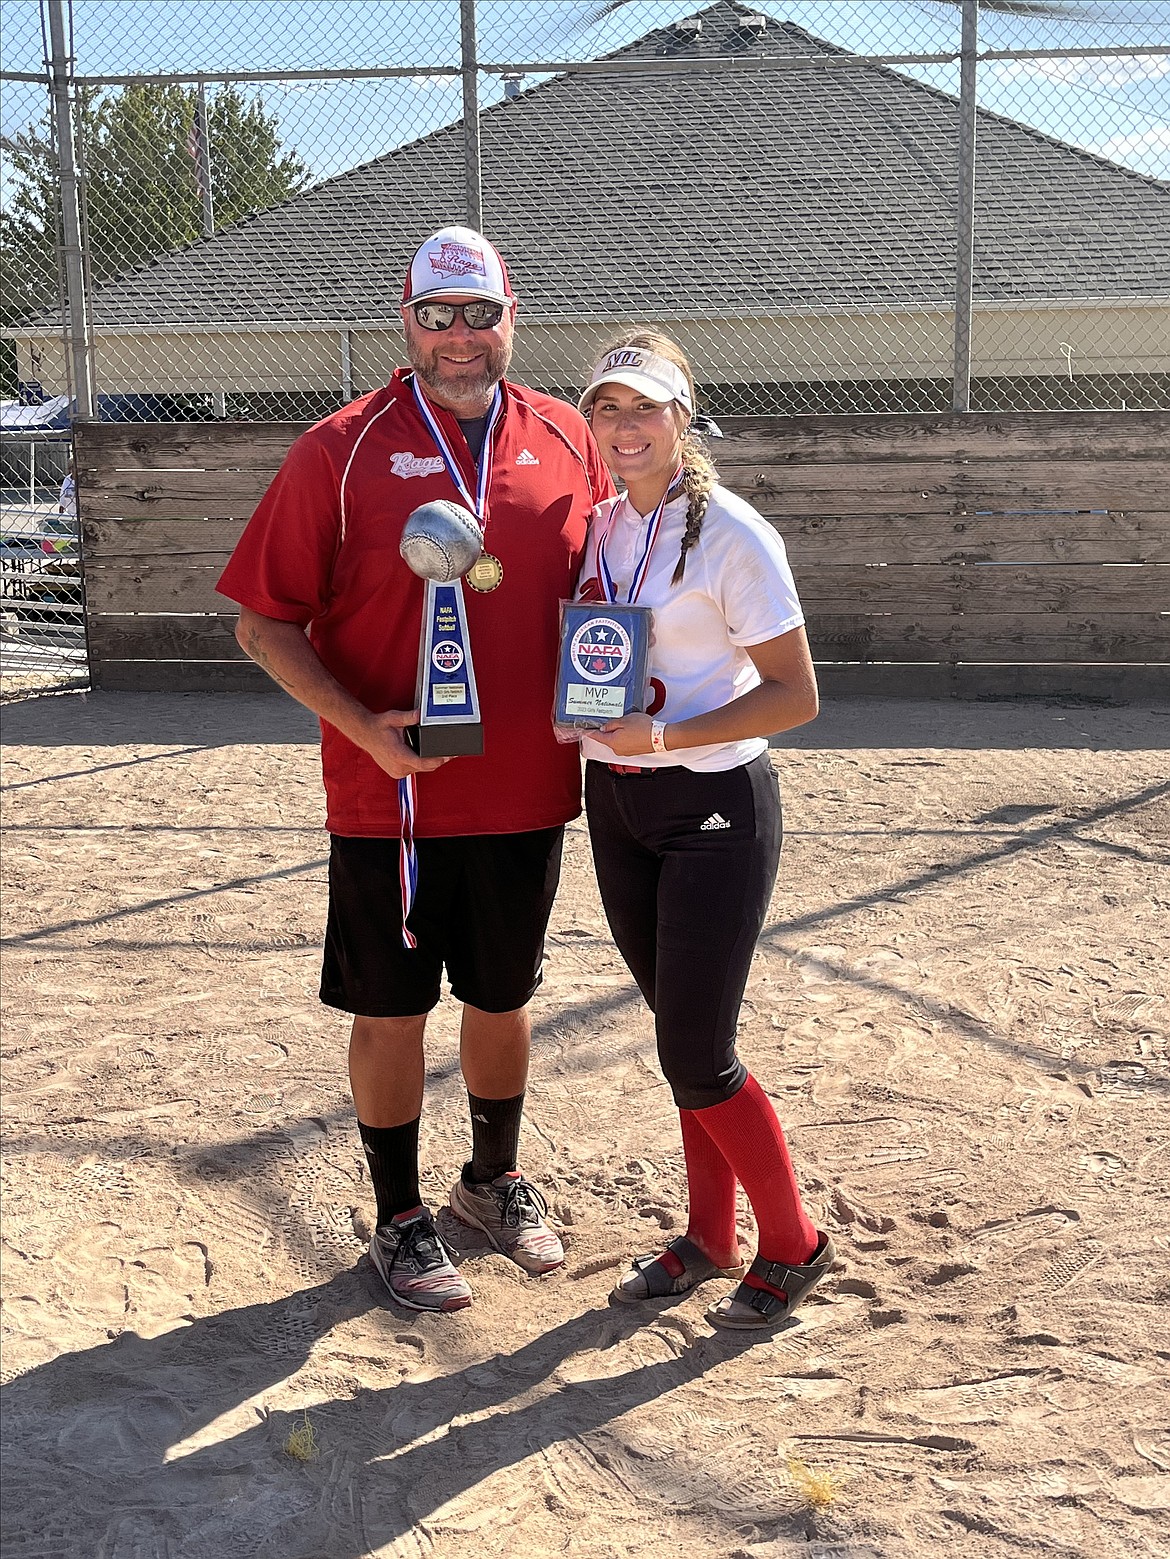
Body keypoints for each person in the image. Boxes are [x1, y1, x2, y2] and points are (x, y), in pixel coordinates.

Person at [217, 226, 614, 1314]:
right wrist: (361, 727)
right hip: (389, 794)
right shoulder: (339, 448)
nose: (458, 338)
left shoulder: (568, 436)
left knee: (503, 994)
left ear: (511, 315)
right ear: (407, 320)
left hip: (527, 786)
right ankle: (400, 1213)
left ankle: (492, 1180)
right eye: (437, 316)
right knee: (392, 1010)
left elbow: (603, 596)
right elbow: (264, 621)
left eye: (478, 314)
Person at [575, 328, 834, 1331]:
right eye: (608, 406)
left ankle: (794, 1239)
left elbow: (796, 694)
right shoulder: (601, 525)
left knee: (697, 1047)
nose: (625, 425)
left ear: (683, 417)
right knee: (678, 1035)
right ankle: (707, 1236)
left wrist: (665, 730)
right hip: (621, 799)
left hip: (714, 803)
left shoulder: (733, 533)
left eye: (646, 407)